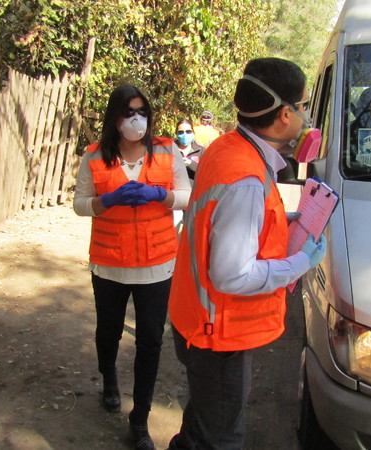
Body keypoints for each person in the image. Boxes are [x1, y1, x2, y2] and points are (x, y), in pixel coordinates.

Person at [166, 57, 327, 449]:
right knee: (220, 439)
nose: (306, 117)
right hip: (218, 334)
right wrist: (300, 263)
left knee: (201, 428)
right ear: (285, 115)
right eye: (304, 106)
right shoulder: (246, 178)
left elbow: (223, 220)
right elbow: (232, 275)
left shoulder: (228, 147)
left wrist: (285, 220)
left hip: (198, 319)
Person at [73, 83, 192, 450]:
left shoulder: (167, 150)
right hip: (110, 264)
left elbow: (187, 196)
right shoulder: (95, 156)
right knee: (108, 333)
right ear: (115, 118)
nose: (136, 119)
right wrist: (105, 201)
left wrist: (161, 195)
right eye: (129, 112)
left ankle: (139, 419)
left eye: (142, 112)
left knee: (151, 341)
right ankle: (109, 379)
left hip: (157, 264)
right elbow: (79, 204)